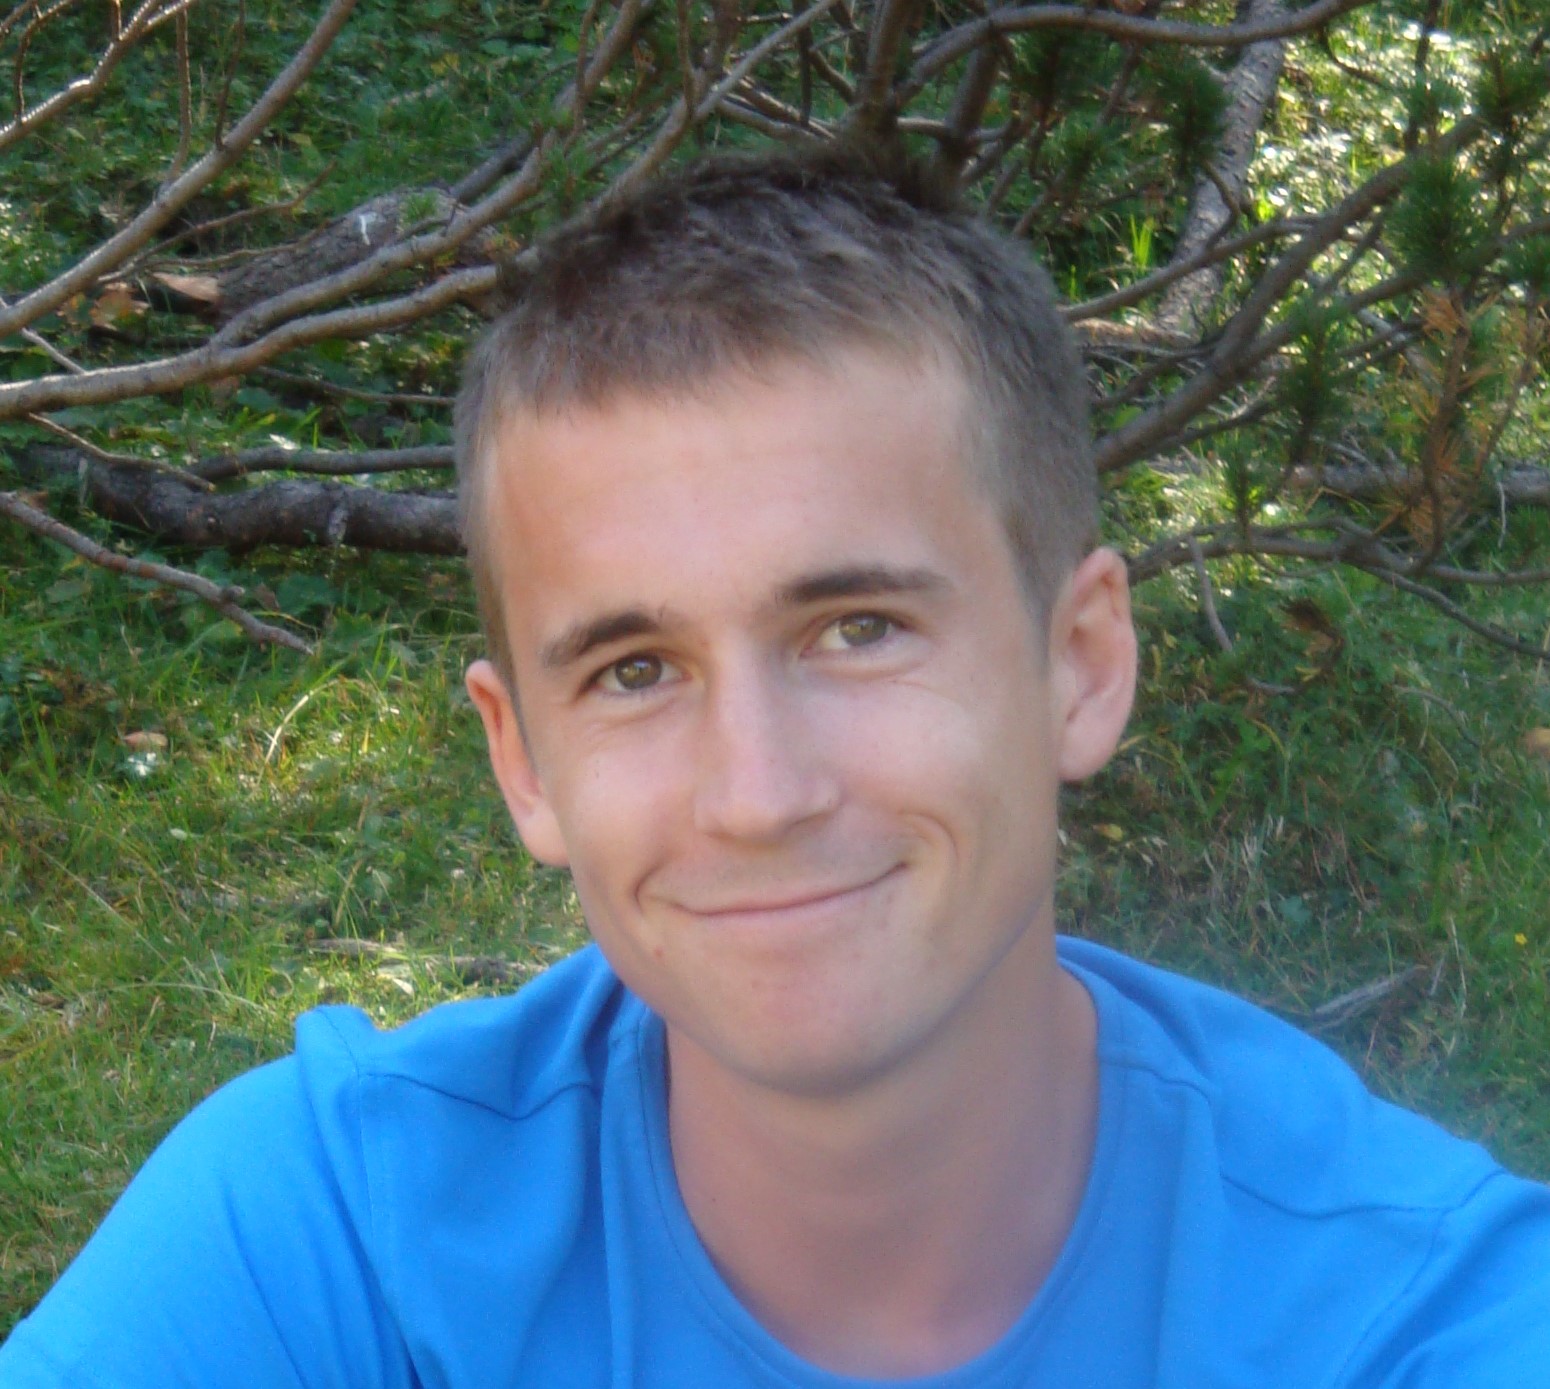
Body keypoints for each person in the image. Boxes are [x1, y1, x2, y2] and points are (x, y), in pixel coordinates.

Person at [3, 150, 1548, 1389]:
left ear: (1078, 662)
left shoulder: (1406, 1319)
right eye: (633, 669)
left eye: (856, 628)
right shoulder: (338, 1239)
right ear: (521, 759)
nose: (757, 792)